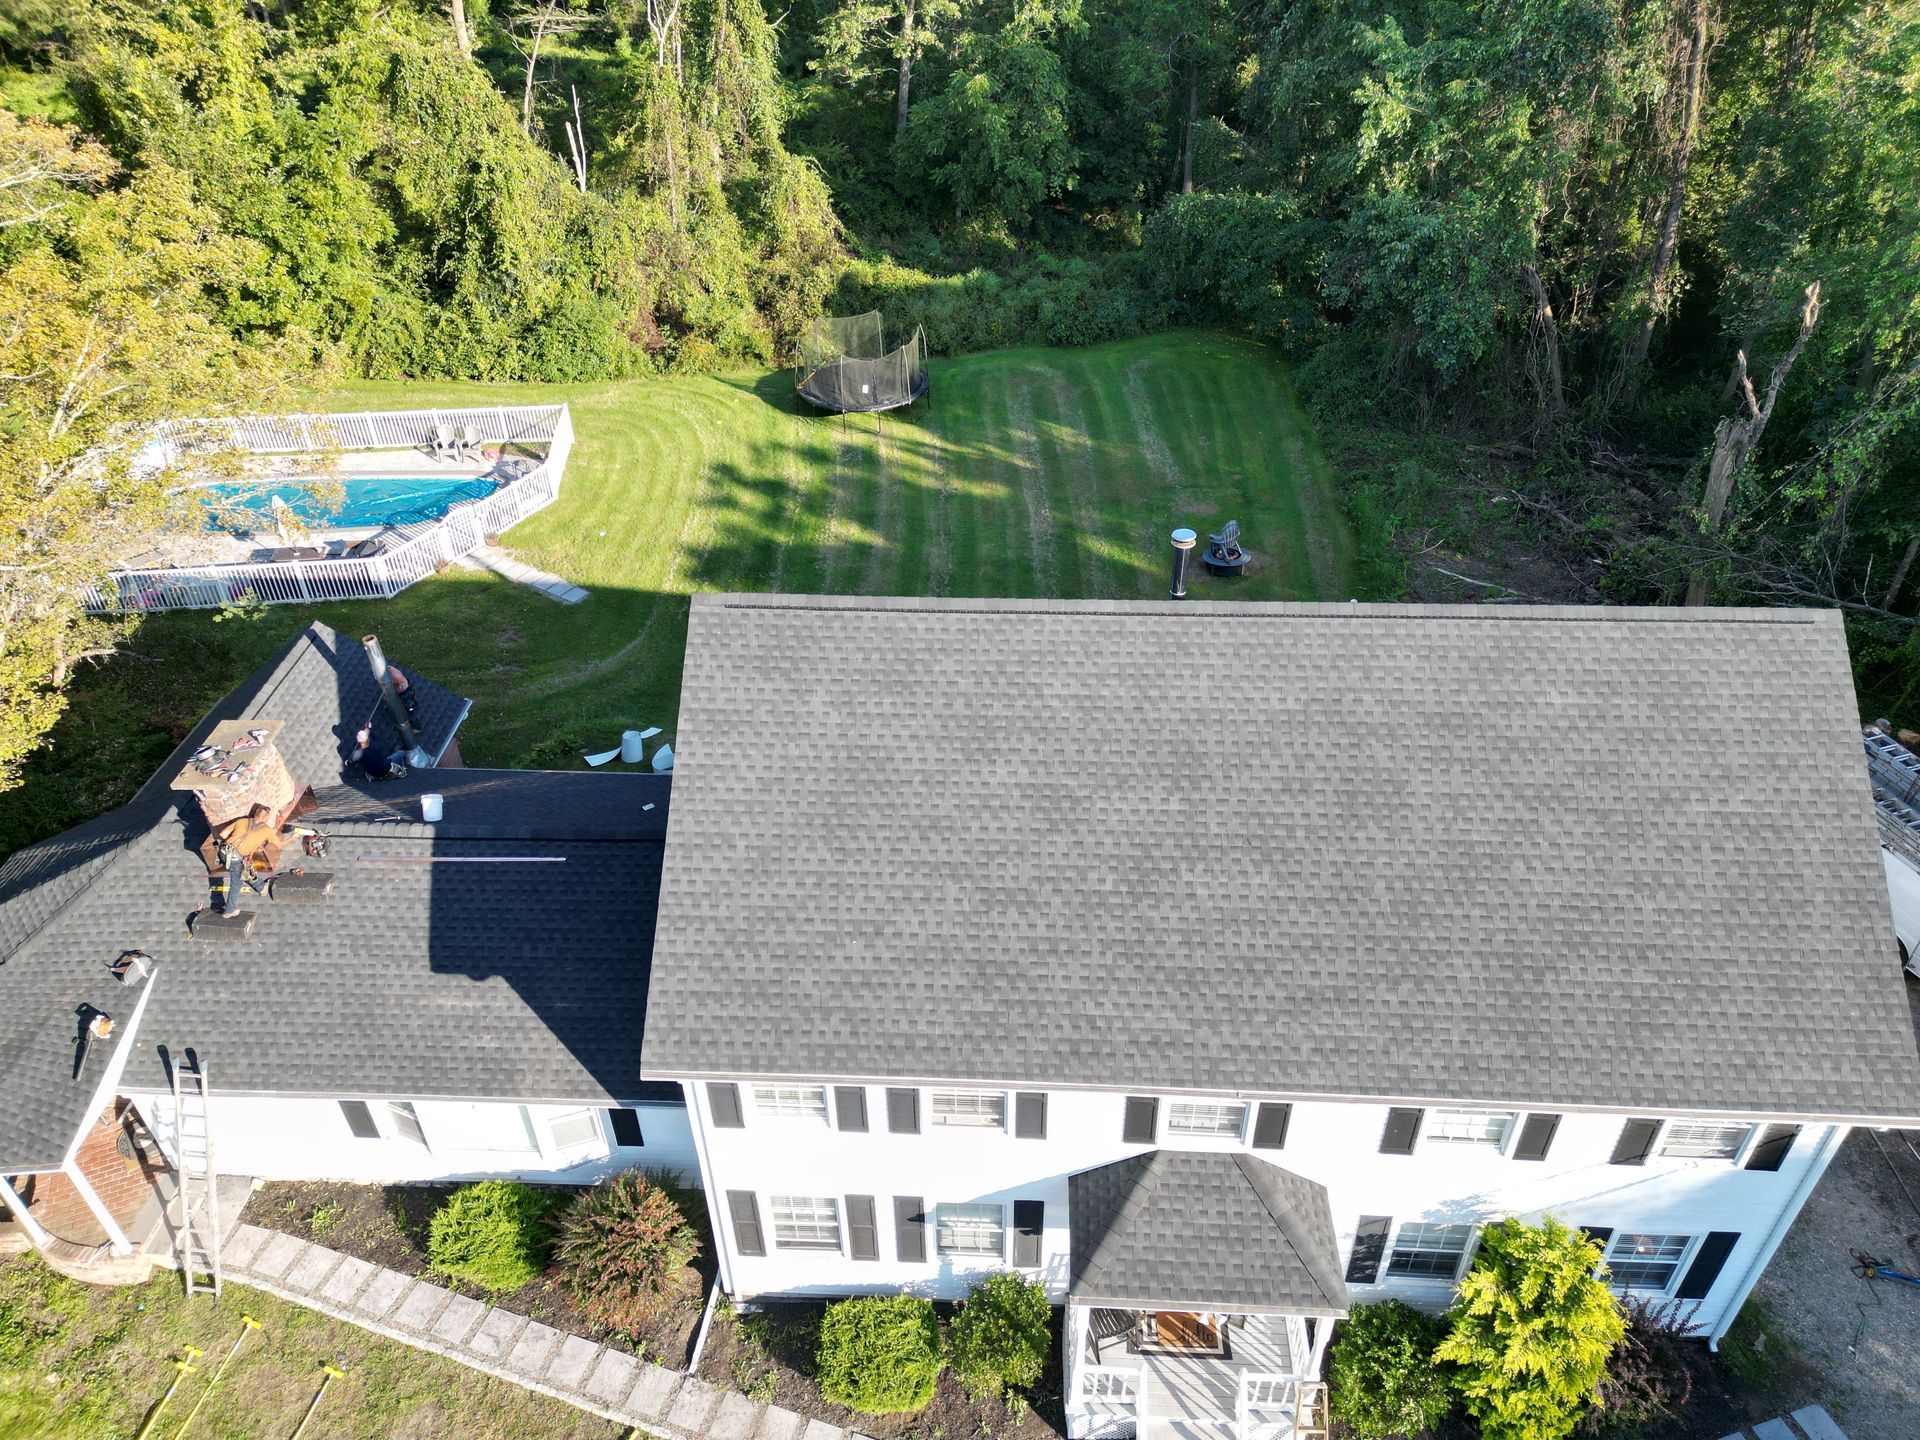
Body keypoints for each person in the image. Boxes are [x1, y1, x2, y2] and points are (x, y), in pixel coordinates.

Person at [198, 804, 293, 911]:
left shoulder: (242, 821)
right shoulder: (266, 830)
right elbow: (279, 845)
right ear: (266, 818)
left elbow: (223, 834)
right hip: (235, 859)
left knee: (247, 869)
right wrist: (294, 836)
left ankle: (261, 887)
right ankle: (230, 909)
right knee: (237, 882)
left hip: (224, 852)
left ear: (255, 814)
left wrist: (236, 839)